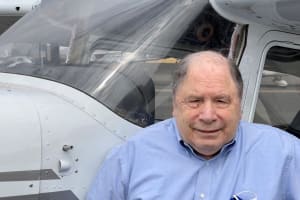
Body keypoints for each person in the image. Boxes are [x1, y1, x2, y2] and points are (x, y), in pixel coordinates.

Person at [86, 50, 300, 200]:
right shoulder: (128, 158)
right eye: (195, 101)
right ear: (174, 104)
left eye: (221, 101)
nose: (207, 115)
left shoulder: (287, 156)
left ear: (240, 105)